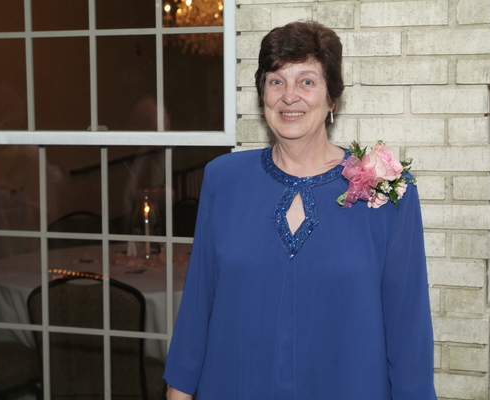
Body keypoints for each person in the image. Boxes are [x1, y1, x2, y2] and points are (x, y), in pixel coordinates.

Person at [163, 20, 436, 399]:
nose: (289, 96)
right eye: (276, 81)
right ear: (262, 94)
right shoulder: (223, 180)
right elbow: (198, 301)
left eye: (307, 81)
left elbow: (409, 328)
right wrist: (178, 392)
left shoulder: (390, 191)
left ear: (332, 99)